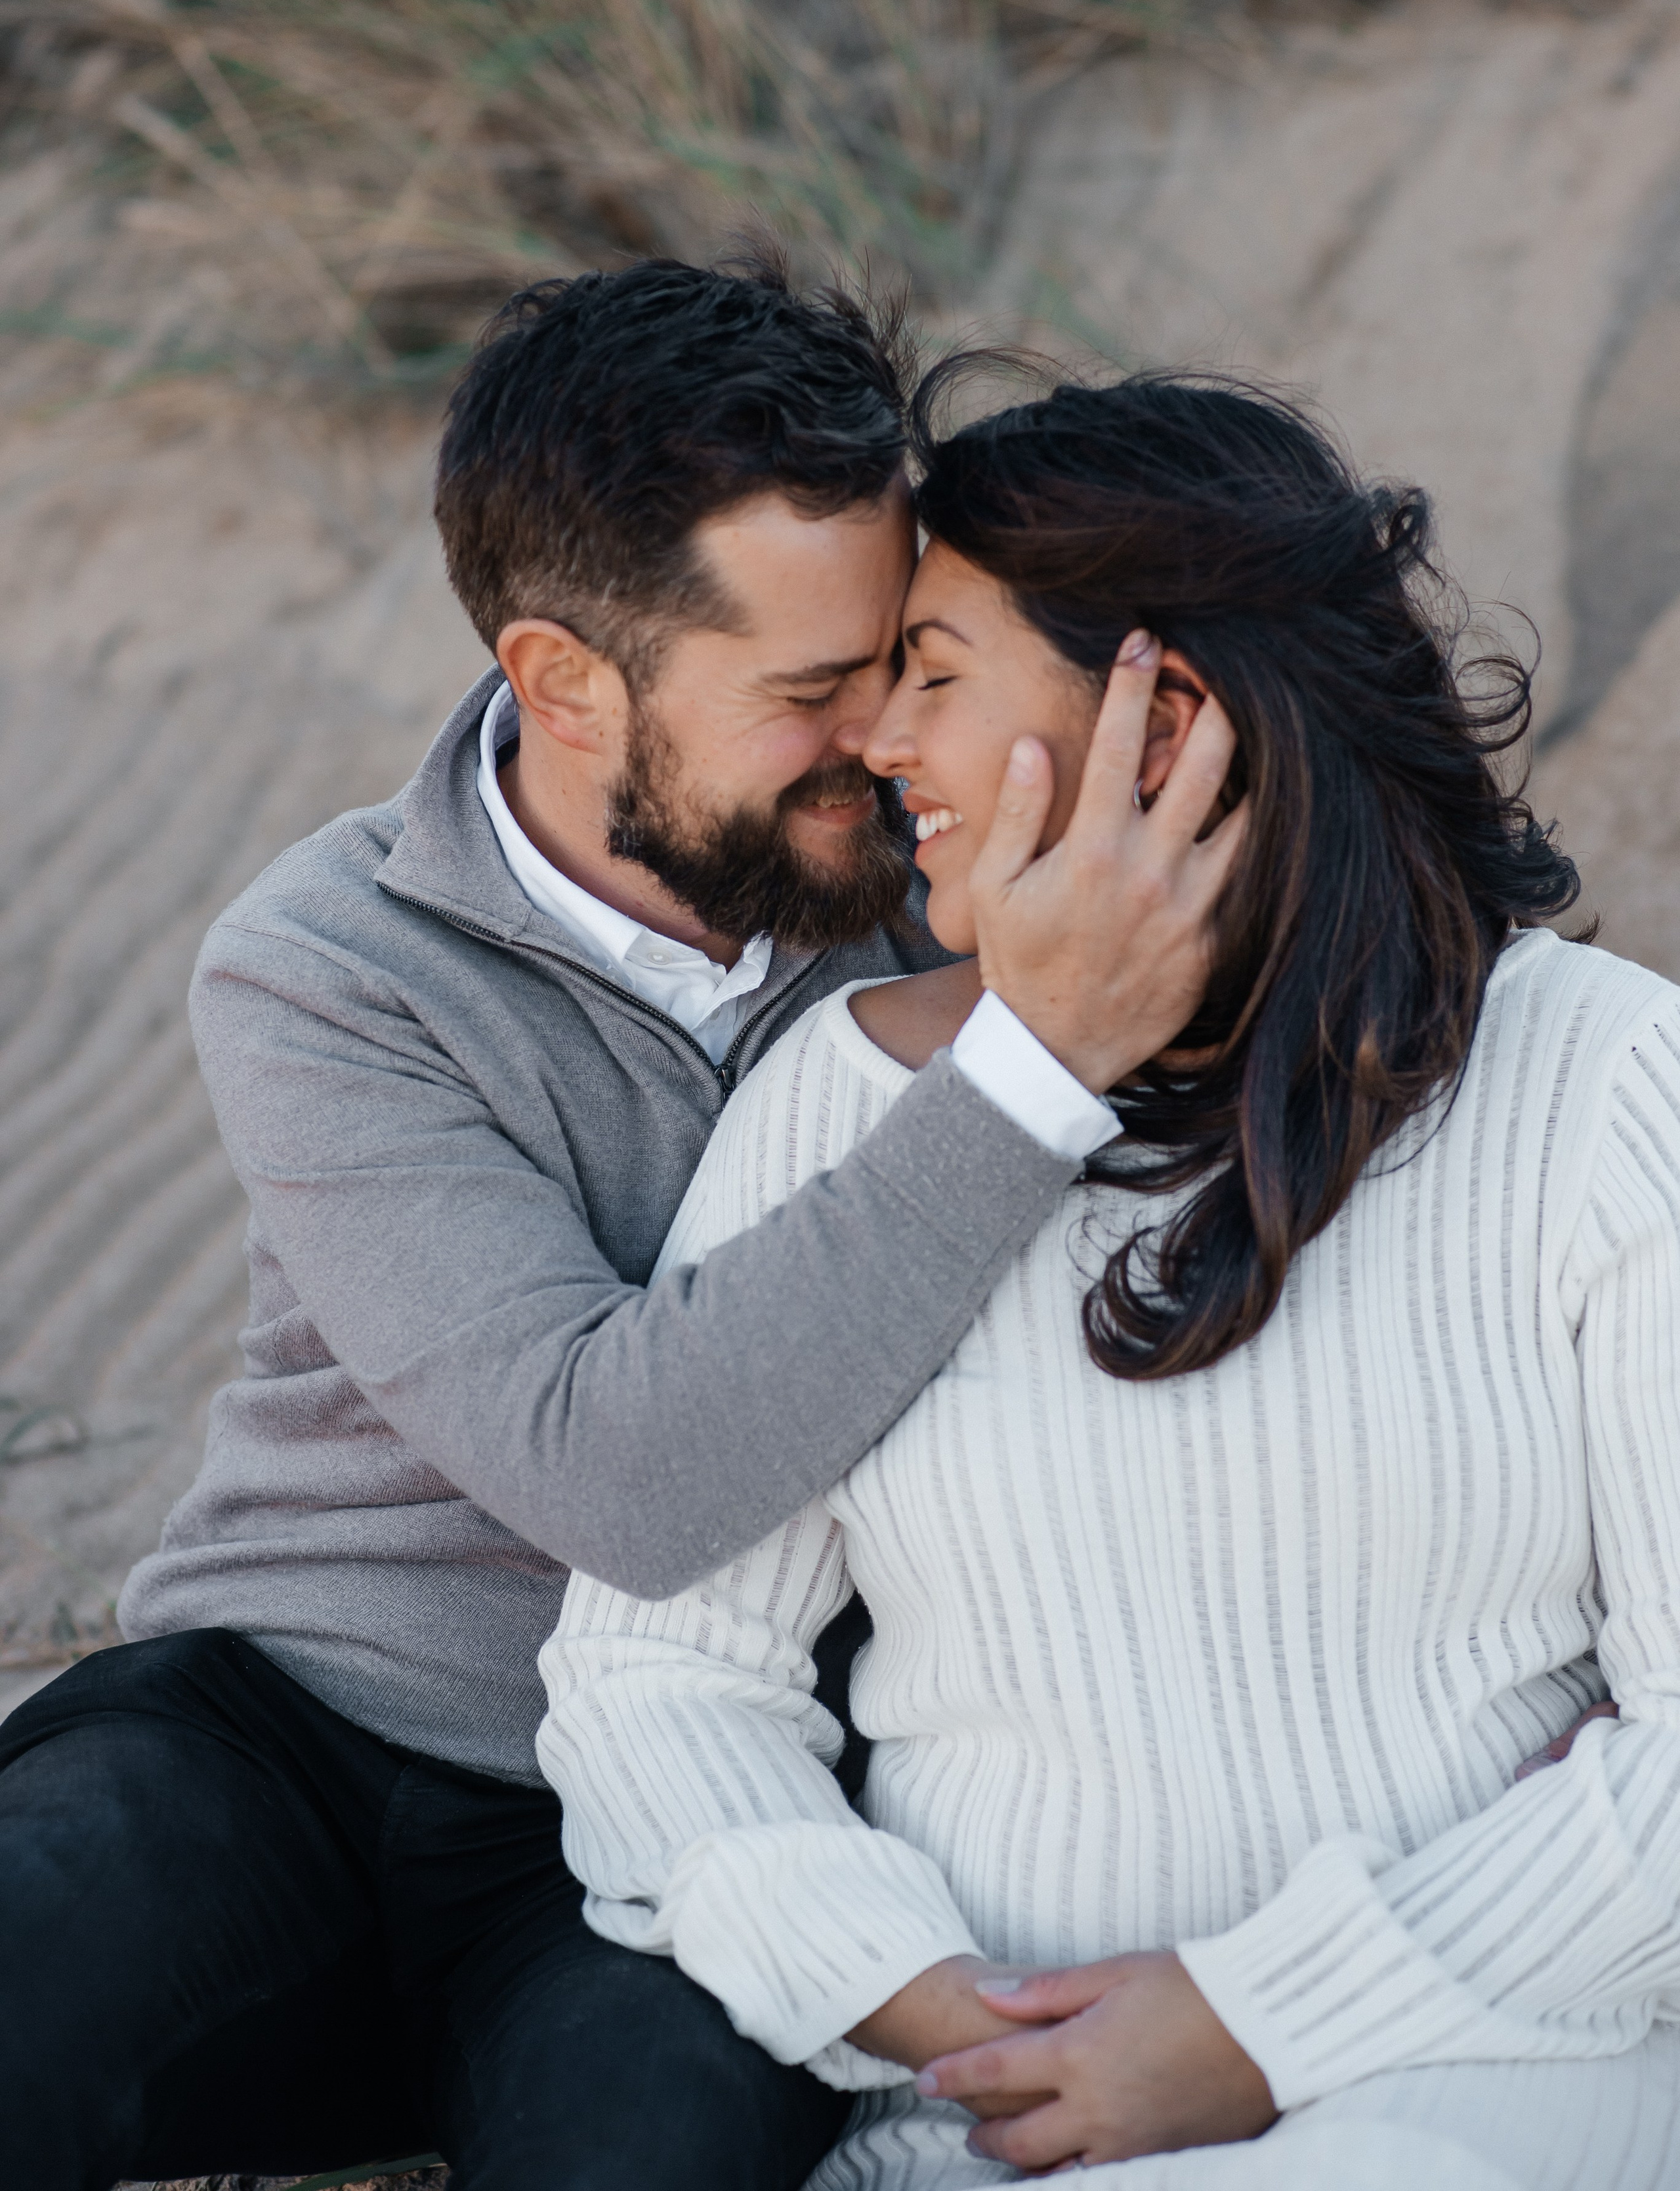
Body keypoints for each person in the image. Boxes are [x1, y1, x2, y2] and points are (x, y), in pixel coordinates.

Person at [0, 257, 1236, 2191]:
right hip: (289, 1742)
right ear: (564, 682)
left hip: (697, 1810)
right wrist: (1029, 1065)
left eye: (902, 658)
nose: (885, 739)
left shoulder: (967, 894)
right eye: (811, 690)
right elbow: (625, 1474)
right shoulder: (332, 970)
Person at [539, 371, 1680, 2189]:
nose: (876, 747)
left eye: (935, 670)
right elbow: (661, 1682)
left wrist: (1260, 2019)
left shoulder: (1602, 1083)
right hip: (987, 2125)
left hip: (1488, 2085)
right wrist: (949, 2012)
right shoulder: (841, 1105)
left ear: (1172, 720)